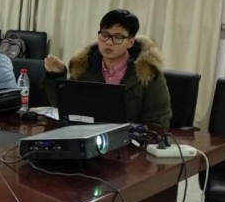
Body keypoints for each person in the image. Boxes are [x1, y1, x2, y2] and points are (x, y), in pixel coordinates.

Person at [42, 9, 172, 129]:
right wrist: (57, 74)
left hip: (131, 142)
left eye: (118, 37)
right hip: (87, 136)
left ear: (130, 42)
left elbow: (158, 122)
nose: (109, 42)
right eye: (105, 35)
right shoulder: (84, 67)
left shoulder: (148, 73)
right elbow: (66, 107)